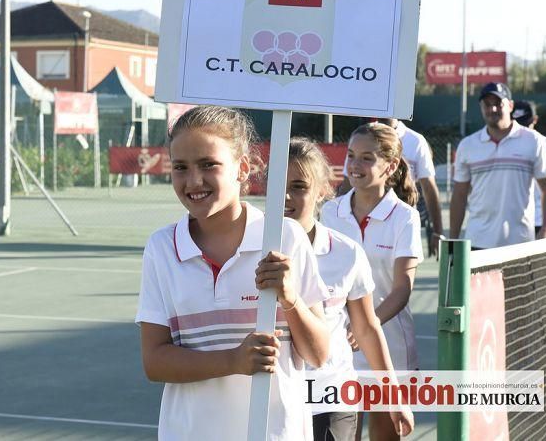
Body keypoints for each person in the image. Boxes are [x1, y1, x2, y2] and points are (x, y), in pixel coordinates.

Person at [136, 105, 330, 440]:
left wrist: (291, 298)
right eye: (180, 167)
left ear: (242, 168)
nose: (193, 180)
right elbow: (155, 361)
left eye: (208, 164)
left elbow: (319, 353)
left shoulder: (284, 236)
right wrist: (233, 361)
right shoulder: (162, 247)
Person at [284, 137, 414, 440]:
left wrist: (393, 394)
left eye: (299, 186)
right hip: (274, 395)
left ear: (322, 192)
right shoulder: (247, 249)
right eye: (279, 183)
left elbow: (367, 328)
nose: (286, 196)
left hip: (331, 396)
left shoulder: (346, 253)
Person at [320, 123, 424, 441]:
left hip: (388, 348)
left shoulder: (405, 217)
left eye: (367, 158)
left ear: (390, 166)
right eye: (351, 155)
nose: (355, 165)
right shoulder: (329, 212)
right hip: (339, 350)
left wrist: (366, 326)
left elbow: (402, 289)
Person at [449, 83, 546, 248]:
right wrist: (453, 240)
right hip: (478, 242)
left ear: (510, 105)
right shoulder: (467, 145)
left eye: (498, 103)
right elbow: (459, 195)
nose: (492, 109)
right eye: (487, 104)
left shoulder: (533, 141)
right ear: (481, 107)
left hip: (520, 244)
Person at [377, 118, 443, 256]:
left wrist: (438, 232)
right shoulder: (362, 136)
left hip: (404, 227)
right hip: (370, 224)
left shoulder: (416, 141)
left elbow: (429, 189)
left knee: (403, 275)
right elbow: (348, 186)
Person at [512, 100, 546, 236]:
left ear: (535, 120)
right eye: (517, 124)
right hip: (512, 222)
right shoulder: (504, 146)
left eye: (525, 124)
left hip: (540, 222)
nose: (522, 129)